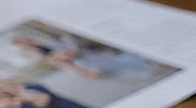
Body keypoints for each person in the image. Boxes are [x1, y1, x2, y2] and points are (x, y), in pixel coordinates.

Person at [12, 33, 162, 82]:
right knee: (121, 68)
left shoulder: (47, 40)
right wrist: (78, 68)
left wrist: (71, 50)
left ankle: (151, 66)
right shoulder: (41, 54)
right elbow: (64, 63)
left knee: (122, 61)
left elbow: (67, 41)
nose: (27, 43)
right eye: (23, 44)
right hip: (87, 62)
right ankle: (150, 70)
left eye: (25, 40)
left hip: (92, 55)